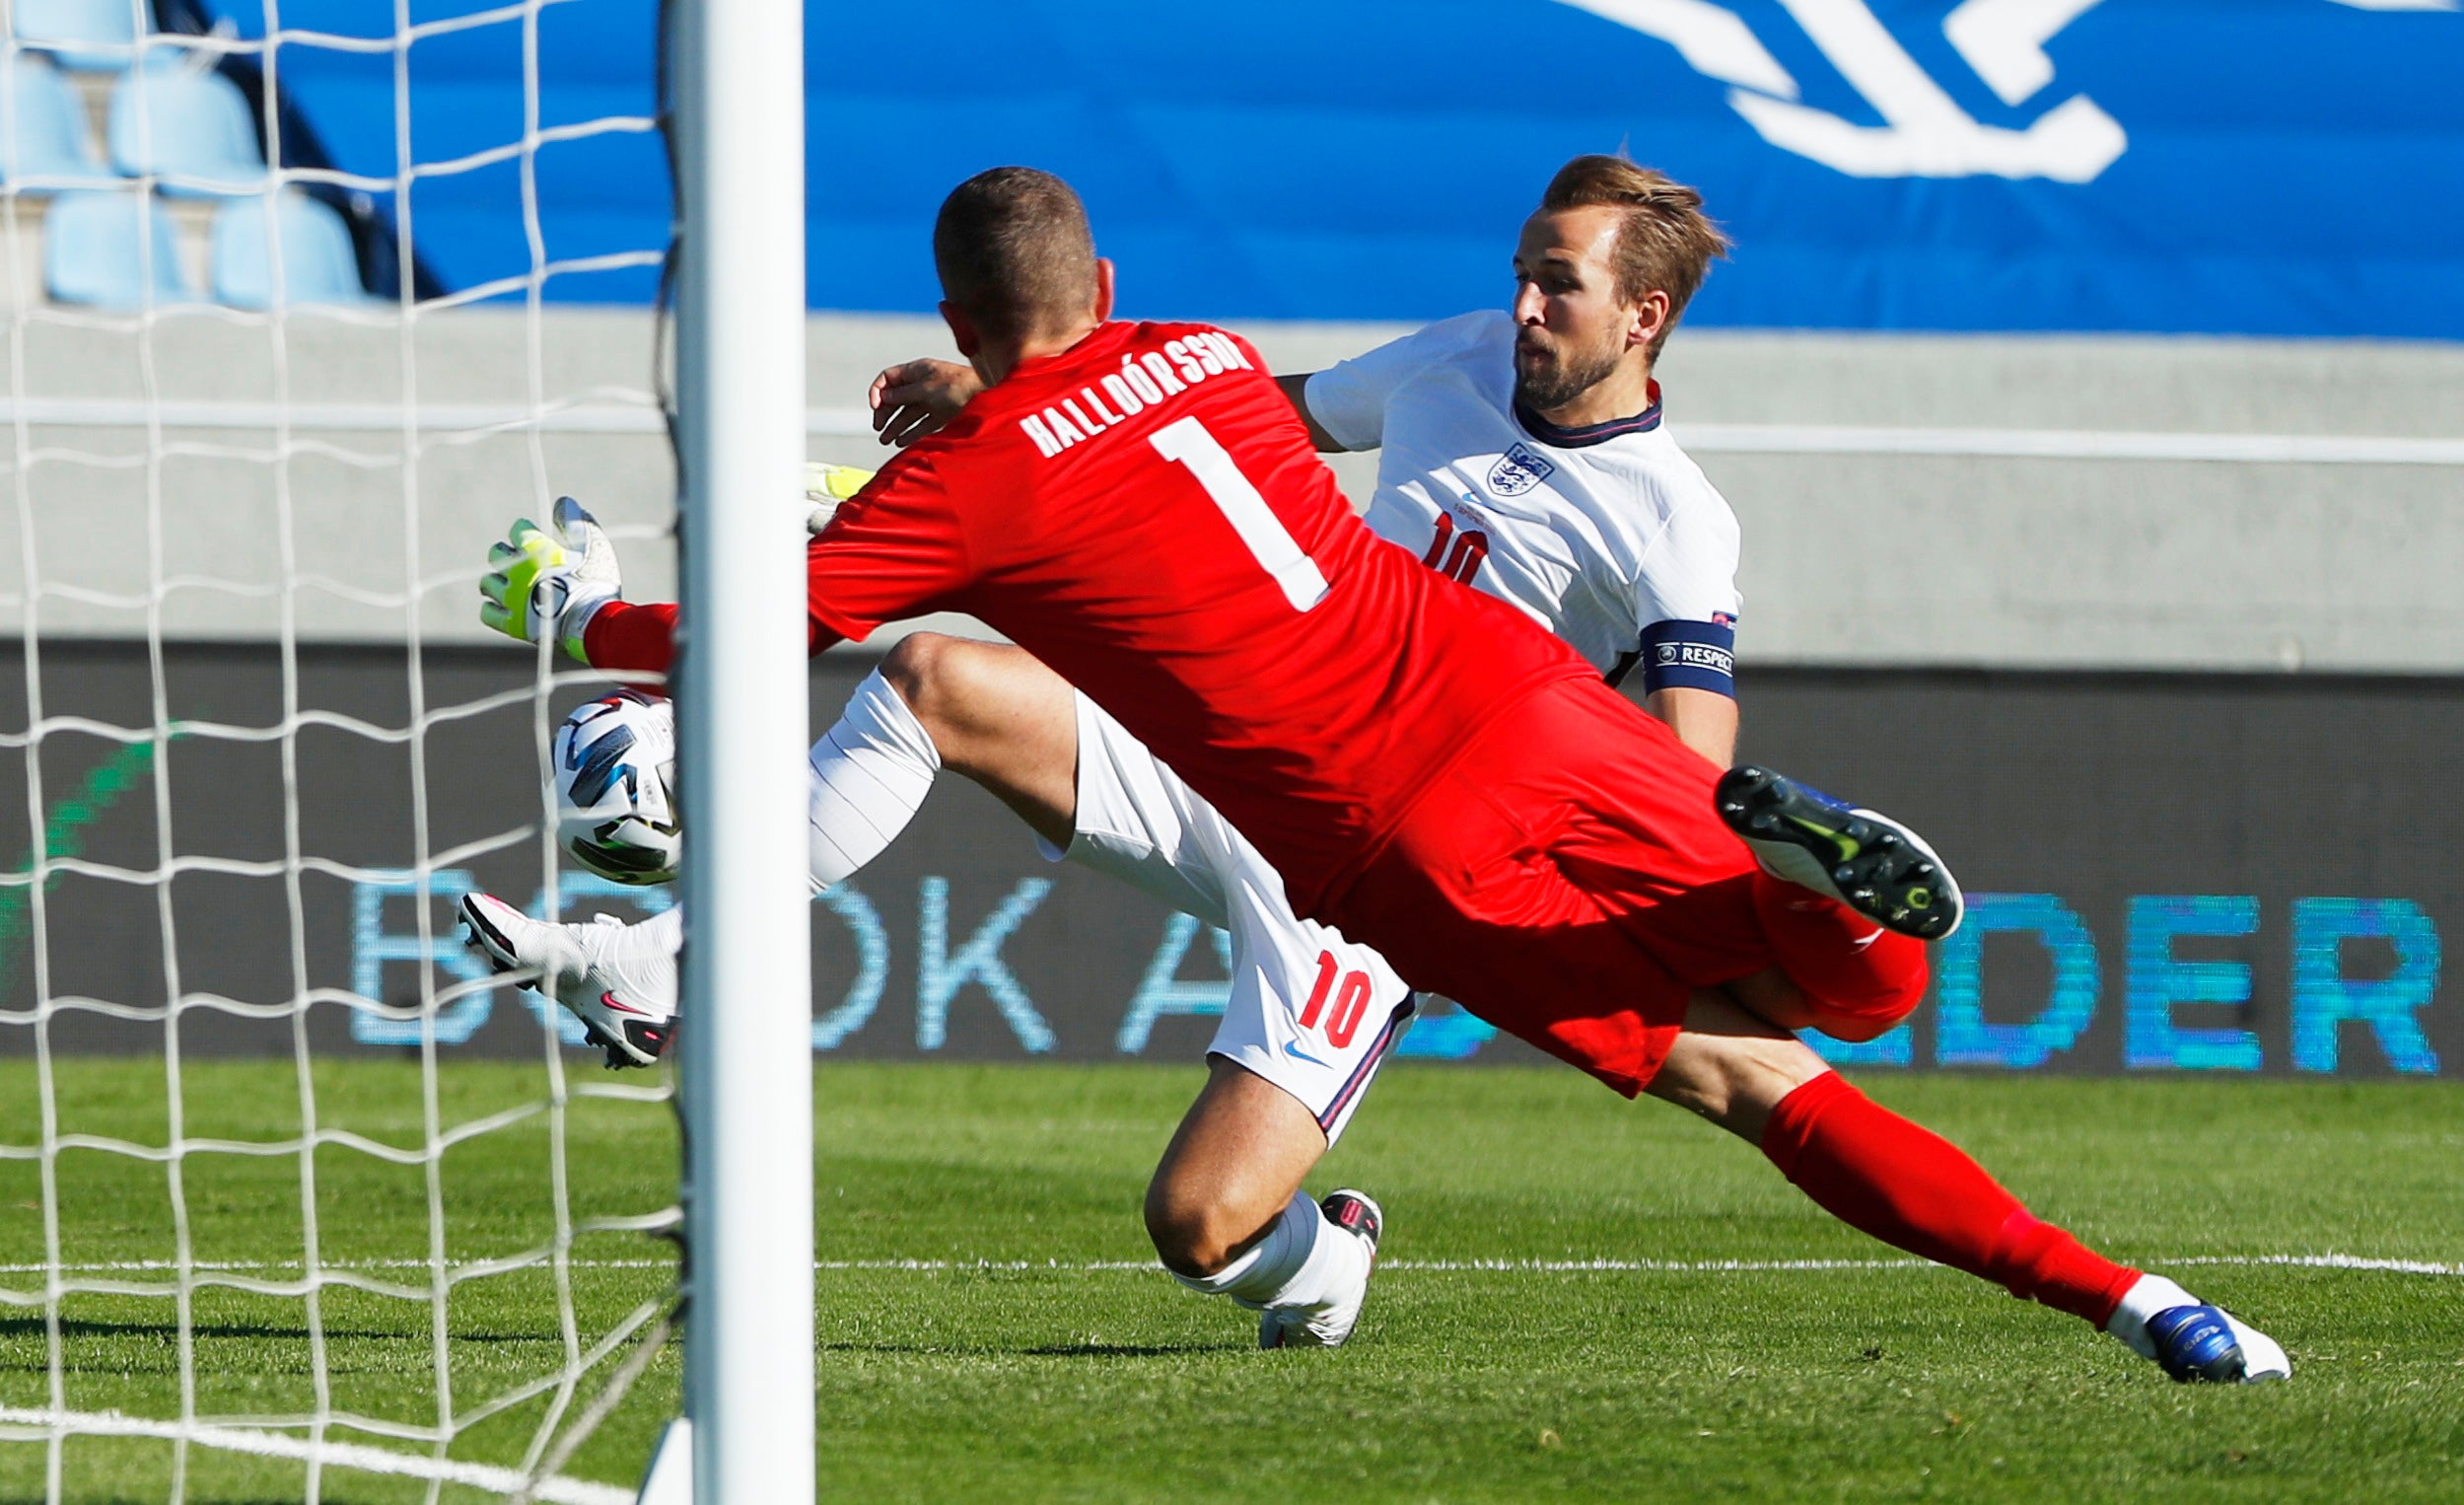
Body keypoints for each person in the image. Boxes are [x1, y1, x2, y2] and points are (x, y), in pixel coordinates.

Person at [464, 165, 2285, 1383]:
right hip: (1478, 708)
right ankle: (2077, 1216)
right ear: (1109, 288)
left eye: (1561, 278)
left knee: (1708, 1072)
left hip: (1382, 843)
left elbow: (743, 626)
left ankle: (1880, 990)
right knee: (940, 676)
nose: (1526, 300)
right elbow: (1190, 429)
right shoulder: (1218, 352)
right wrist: (987, 422)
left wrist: (588, 611)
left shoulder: (1664, 512)